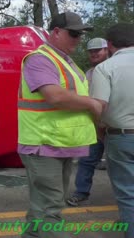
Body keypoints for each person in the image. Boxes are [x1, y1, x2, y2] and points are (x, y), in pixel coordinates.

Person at [17, 12, 102, 238]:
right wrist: (92, 104)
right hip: (44, 144)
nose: (78, 40)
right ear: (56, 32)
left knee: (41, 207)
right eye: (74, 34)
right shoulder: (39, 59)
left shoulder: (65, 61)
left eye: (80, 35)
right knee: (50, 210)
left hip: (59, 144)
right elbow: (54, 96)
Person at [91, 23, 134, 238]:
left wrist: (100, 131)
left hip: (122, 137)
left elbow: (99, 107)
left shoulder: (105, 68)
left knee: (128, 194)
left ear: (109, 45)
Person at [66, 38, 109, 207]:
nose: (94, 53)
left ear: (107, 50)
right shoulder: (88, 74)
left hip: (115, 127)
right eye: (91, 51)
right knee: (87, 161)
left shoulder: (114, 69)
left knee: (120, 166)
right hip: (95, 126)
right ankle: (81, 193)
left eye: (98, 50)